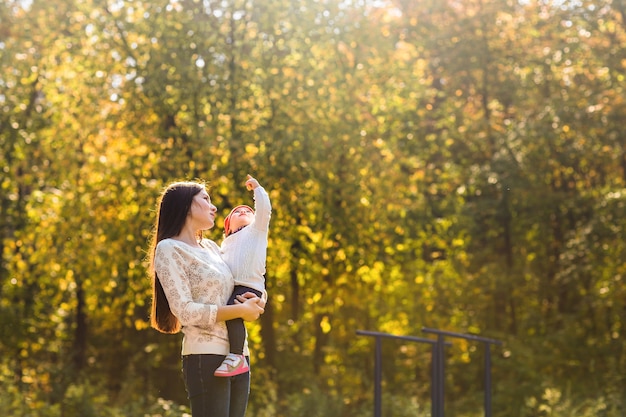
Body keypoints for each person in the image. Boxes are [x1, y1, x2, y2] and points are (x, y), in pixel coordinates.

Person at [148, 180, 265, 417]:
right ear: (185, 206)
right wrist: (240, 312)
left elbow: (242, 280)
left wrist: (258, 302)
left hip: (239, 355)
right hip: (206, 355)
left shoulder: (212, 247)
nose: (213, 207)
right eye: (205, 199)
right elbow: (186, 311)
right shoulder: (169, 249)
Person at [214, 174, 272, 377]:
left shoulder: (256, 231)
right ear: (227, 226)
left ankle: (236, 356)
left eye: (247, 210)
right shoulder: (224, 244)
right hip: (234, 286)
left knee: (232, 313)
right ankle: (235, 355)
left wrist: (257, 188)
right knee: (232, 313)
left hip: (250, 286)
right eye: (237, 211)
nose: (243, 210)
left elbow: (264, 210)